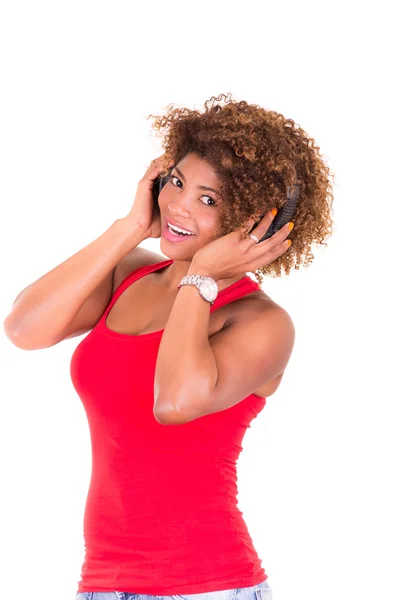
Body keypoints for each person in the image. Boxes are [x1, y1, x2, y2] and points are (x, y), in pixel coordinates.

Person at [4, 92, 335, 600]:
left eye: (208, 200)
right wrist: (131, 228)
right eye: (177, 182)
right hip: (102, 582)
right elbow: (25, 329)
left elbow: (175, 403)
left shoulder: (261, 322)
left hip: (207, 584)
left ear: (253, 221)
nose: (178, 205)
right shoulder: (130, 272)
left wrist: (200, 276)